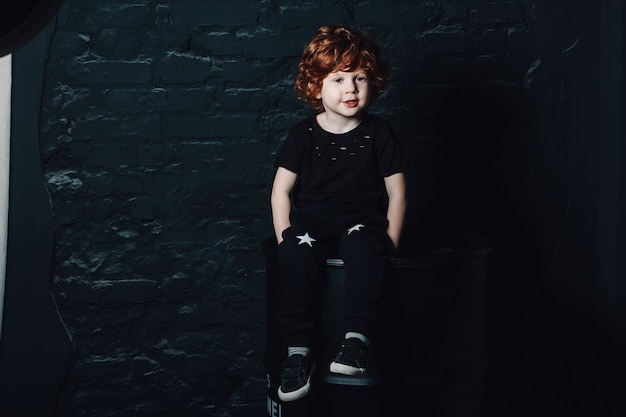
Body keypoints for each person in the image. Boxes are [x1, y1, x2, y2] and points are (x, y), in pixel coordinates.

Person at [270, 24, 407, 402]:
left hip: (361, 221)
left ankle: (355, 342)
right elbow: (281, 190)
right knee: (296, 255)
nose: (351, 89)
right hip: (313, 223)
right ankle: (298, 354)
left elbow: (397, 192)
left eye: (359, 78)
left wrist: (390, 240)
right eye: (339, 79)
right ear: (316, 86)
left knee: (365, 246)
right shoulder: (303, 135)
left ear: (372, 83)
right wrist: (284, 236)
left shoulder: (379, 133)